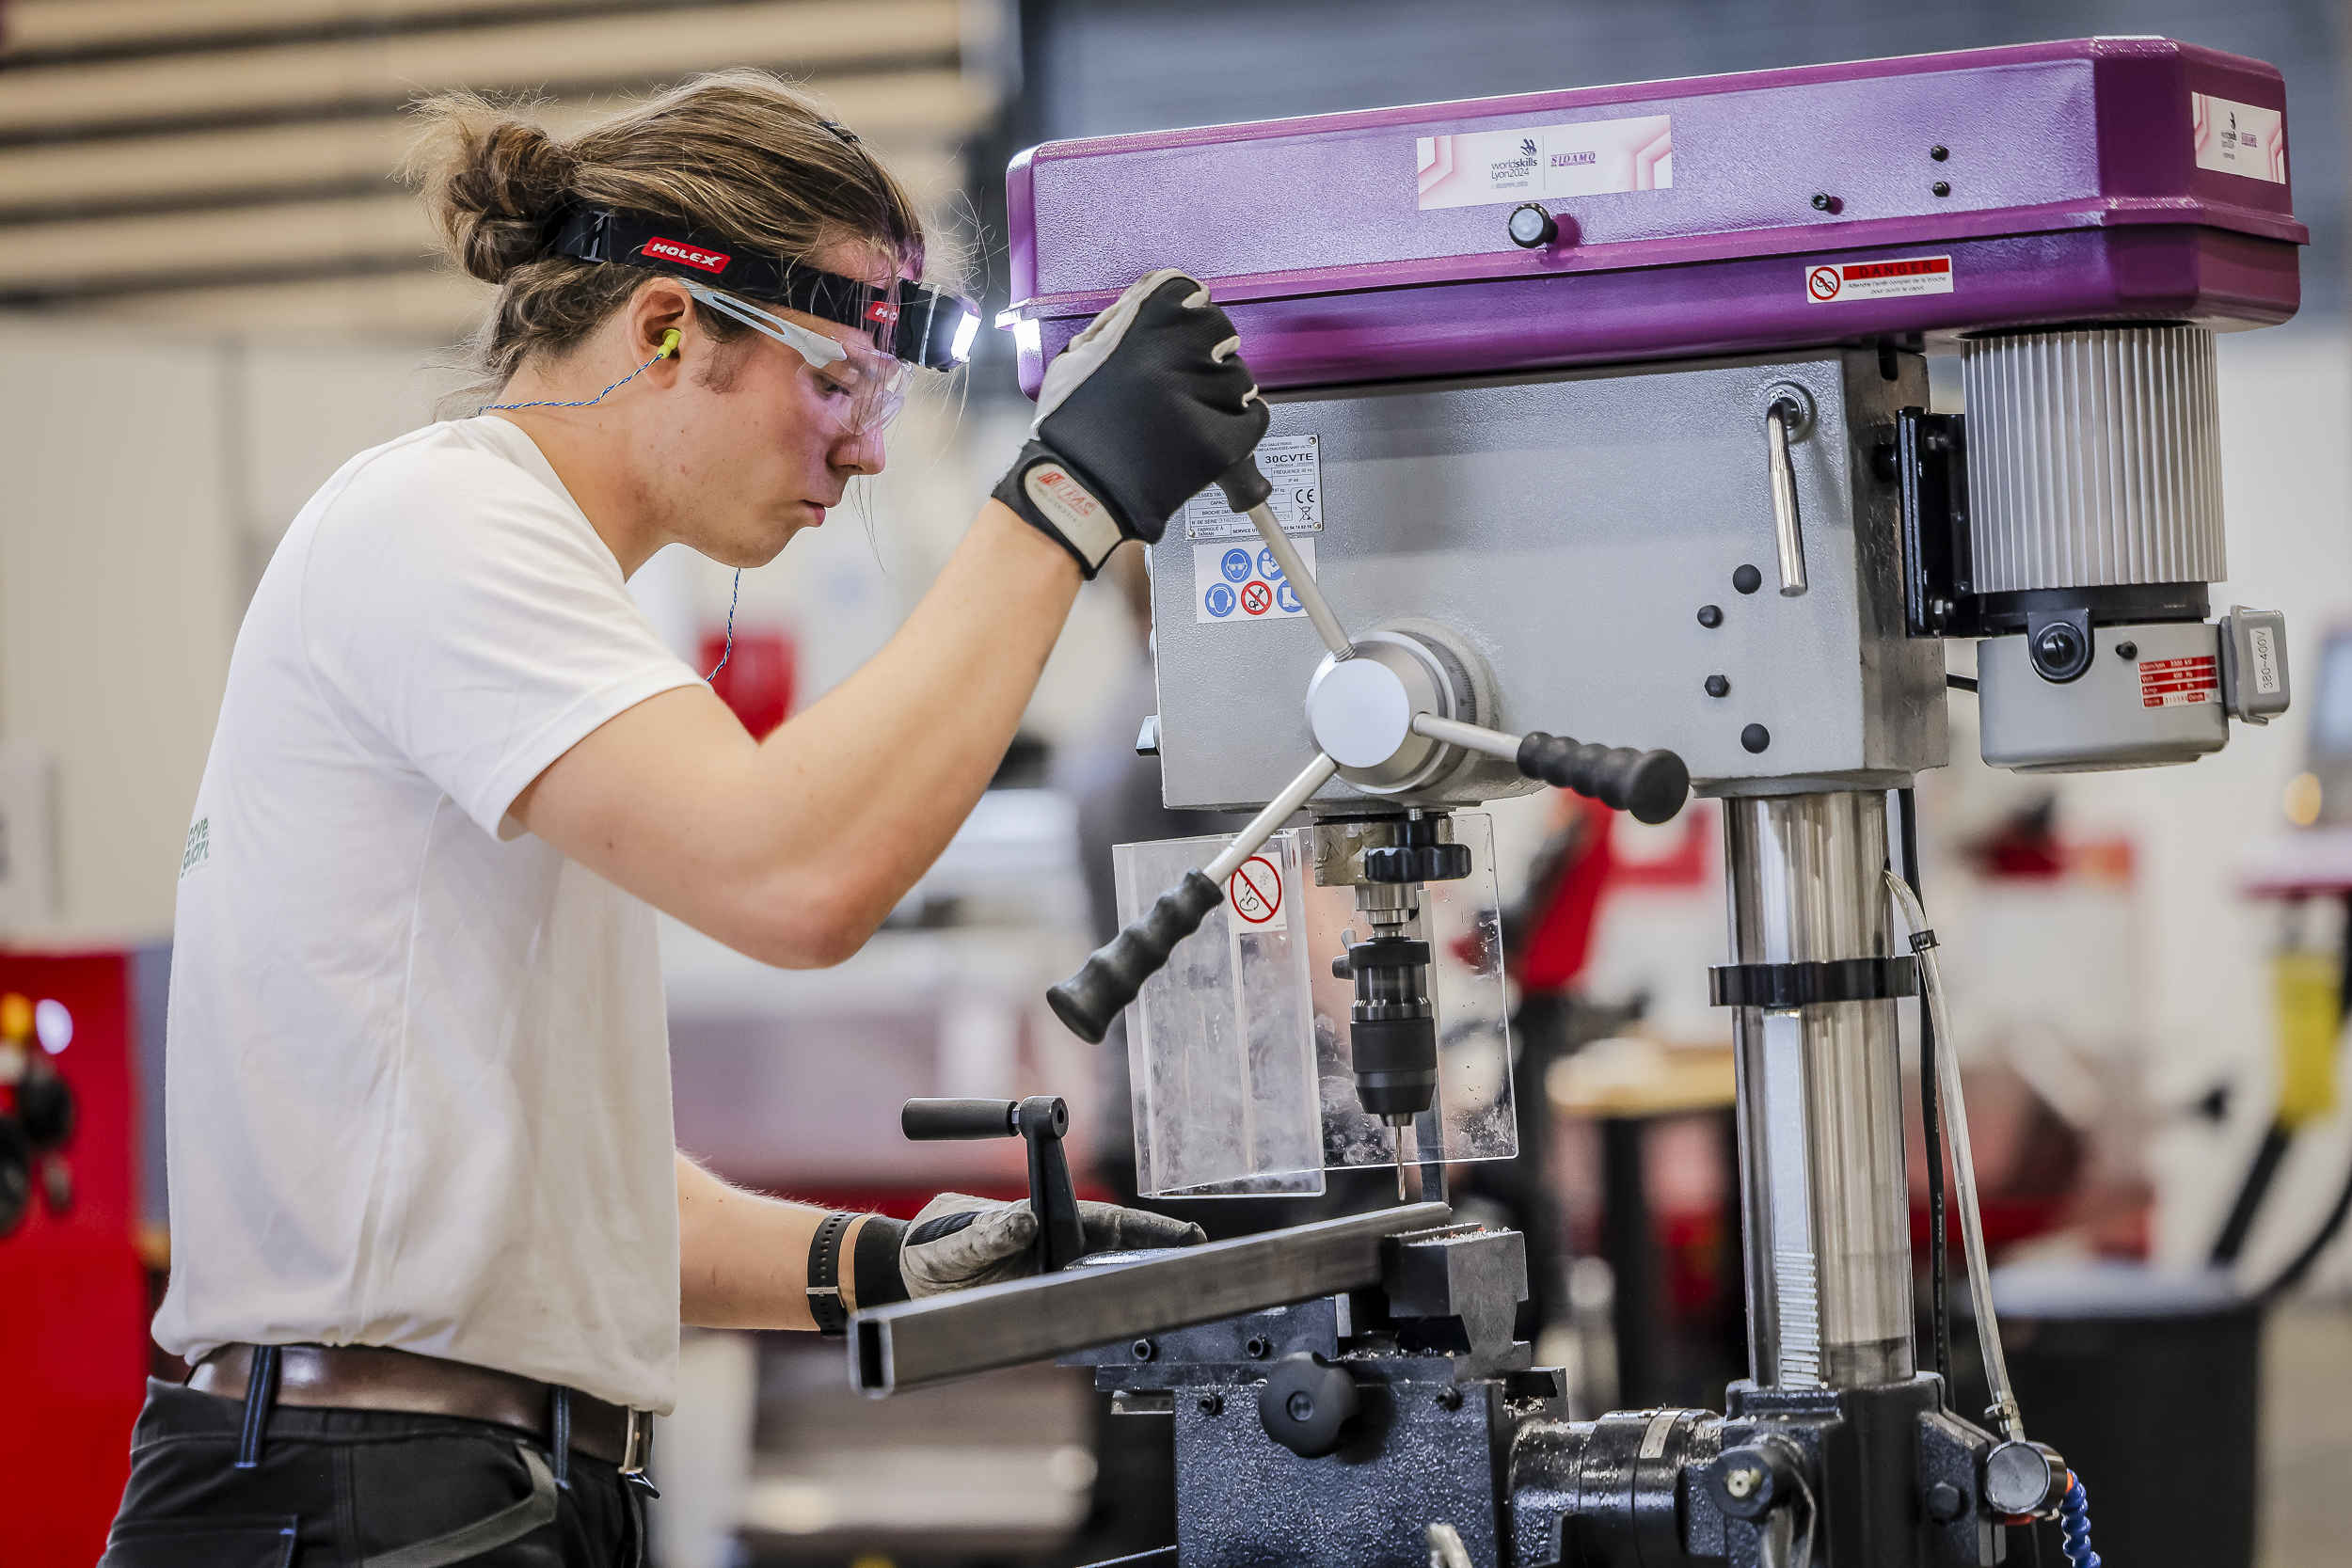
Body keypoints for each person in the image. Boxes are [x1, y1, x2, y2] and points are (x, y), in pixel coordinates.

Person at [103, 71, 1266, 1566]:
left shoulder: (544, 590)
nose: (863, 454)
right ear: (667, 327)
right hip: (357, 1492)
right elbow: (799, 880)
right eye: (837, 379)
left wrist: (901, 1263)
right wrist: (1063, 496)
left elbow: (563, 1212)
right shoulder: (444, 522)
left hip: (453, 1484)